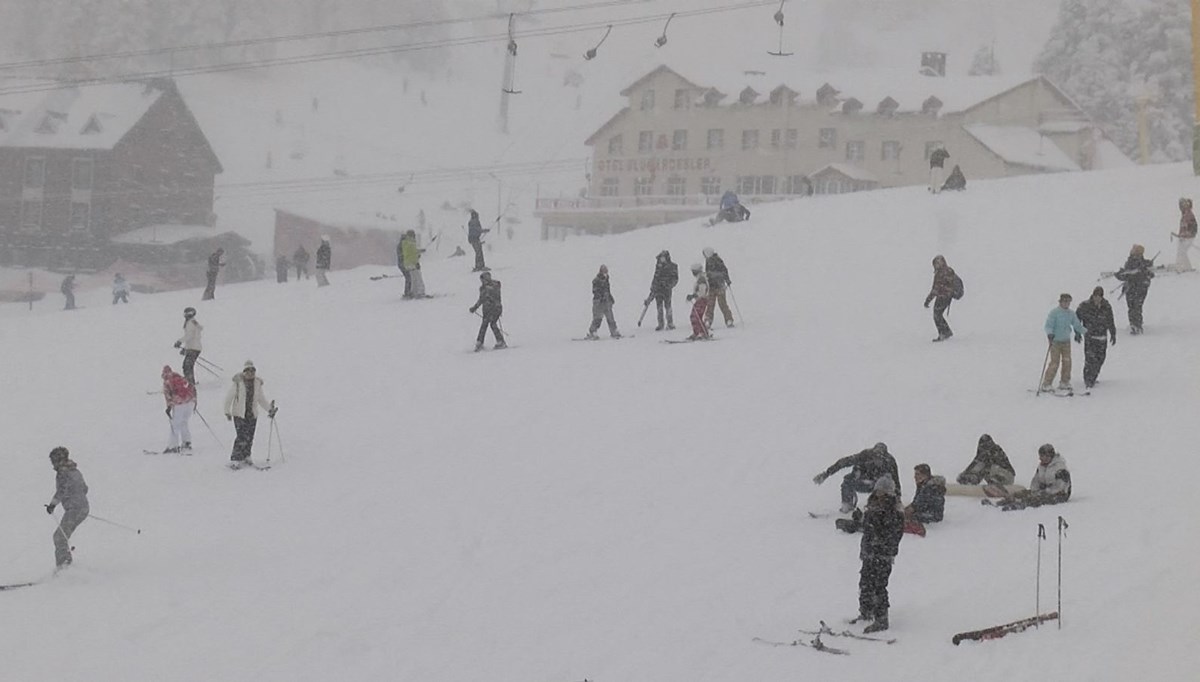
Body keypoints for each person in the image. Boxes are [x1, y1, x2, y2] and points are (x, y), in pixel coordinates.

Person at [854, 476, 904, 633]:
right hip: (869, 552)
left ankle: (881, 618)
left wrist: (881, 544)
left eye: (882, 491)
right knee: (865, 582)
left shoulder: (893, 511)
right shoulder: (872, 506)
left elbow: (894, 533)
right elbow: (868, 528)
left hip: (882, 555)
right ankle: (866, 611)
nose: (879, 494)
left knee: (879, 585)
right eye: (878, 490)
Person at [813, 442, 902, 514]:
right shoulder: (864, 455)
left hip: (877, 487)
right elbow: (844, 462)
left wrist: (898, 499)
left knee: (886, 481)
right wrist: (826, 474)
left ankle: (881, 506)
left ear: (885, 456)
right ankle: (847, 505)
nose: (877, 459)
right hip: (861, 480)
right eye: (875, 456)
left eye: (880, 457)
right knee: (848, 480)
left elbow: (896, 480)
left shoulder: (890, 461)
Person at [222, 360, 276, 469]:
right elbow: (229, 398)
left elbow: (261, 399)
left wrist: (269, 409)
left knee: (250, 436)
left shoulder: (257, 383)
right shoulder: (238, 383)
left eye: (252, 371)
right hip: (239, 414)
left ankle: (246, 455)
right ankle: (235, 459)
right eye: (248, 371)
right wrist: (227, 411)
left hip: (252, 414)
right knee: (241, 436)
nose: (250, 374)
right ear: (244, 372)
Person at [46, 447, 88, 570]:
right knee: (61, 536)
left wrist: (52, 505)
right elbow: (85, 488)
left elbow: (62, 491)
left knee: (59, 537)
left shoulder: (63, 472)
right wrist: (78, 502)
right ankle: (65, 566)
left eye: (53, 460)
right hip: (82, 508)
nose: (53, 464)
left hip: (75, 509)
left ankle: (64, 568)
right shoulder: (74, 470)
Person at [994, 444, 1071, 511]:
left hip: (1059, 495)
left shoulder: (1059, 468)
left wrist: (1045, 491)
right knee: (1025, 493)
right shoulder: (1042, 466)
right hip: (1044, 491)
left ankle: (1022, 504)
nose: (1040, 458)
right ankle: (1009, 500)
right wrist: (1034, 491)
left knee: (1038, 498)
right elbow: (1036, 481)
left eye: (1042, 456)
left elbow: (1060, 487)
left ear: (1048, 456)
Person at [1041, 293, 1087, 393]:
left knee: (1067, 362)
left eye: (1068, 302)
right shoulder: (1054, 313)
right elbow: (1048, 325)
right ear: (1061, 302)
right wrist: (1050, 334)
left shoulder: (1071, 314)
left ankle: (1064, 382)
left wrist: (1086, 332)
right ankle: (1047, 383)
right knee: (1054, 362)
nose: (1067, 304)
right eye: (1065, 301)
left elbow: (1077, 325)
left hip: (1066, 341)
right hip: (1055, 342)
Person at [1075, 286, 1117, 389]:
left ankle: (1093, 376)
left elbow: (1110, 320)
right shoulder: (1084, 306)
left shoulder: (1106, 306)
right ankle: (1088, 380)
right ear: (1093, 295)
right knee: (1090, 359)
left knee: (1100, 359)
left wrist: (1113, 333)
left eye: (1099, 296)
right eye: (1096, 296)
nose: (1097, 298)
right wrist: (1077, 333)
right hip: (1090, 337)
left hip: (1102, 337)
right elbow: (1077, 320)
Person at [1114, 244, 1155, 335]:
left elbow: (1150, 274)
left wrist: (1123, 275)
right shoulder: (1133, 262)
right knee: (1134, 307)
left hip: (1138, 288)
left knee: (1135, 307)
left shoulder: (1141, 263)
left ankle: (1136, 325)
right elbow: (1127, 275)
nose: (1131, 250)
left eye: (1133, 249)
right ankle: (1135, 324)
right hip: (1133, 288)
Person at [923, 255, 959, 341]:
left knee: (937, 315)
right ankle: (946, 332)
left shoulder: (940, 273)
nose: (936, 266)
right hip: (948, 297)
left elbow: (935, 288)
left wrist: (928, 300)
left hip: (942, 296)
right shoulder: (949, 270)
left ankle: (944, 333)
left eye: (936, 263)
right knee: (938, 314)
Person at [161, 365, 196, 454]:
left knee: (175, 425)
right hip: (190, 402)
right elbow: (192, 387)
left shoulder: (167, 381)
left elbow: (168, 395)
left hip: (179, 403)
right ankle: (187, 442)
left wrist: (169, 407)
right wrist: (194, 401)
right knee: (184, 422)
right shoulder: (180, 378)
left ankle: (173, 446)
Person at [469, 271, 505, 351]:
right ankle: (481, 342)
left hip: (494, 309)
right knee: (485, 324)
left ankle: (499, 341)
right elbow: (482, 299)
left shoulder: (493, 286)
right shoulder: (486, 287)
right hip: (488, 310)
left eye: (483, 280)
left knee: (491, 324)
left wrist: (474, 308)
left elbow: (483, 299)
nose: (482, 282)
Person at [645, 250, 678, 331]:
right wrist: (653, 288)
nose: (662, 260)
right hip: (658, 290)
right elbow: (655, 278)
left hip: (667, 290)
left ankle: (670, 323)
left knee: (668, 306)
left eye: (663, 258)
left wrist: (668, 285)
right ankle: (660, 323)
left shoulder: (673, 266)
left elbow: (675, 279)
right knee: (659, 307)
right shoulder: (658, 266)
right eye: (661, 258)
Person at [585, 264, 621, 340]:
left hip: (606, 301)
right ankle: (592, 331)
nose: (605, 273)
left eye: (606, 272)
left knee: (610, 317)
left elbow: (608, 290)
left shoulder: (607, 279)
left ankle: (614, 330)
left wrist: (610, 298)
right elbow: (595, 291)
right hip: (598, 302)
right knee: (598, 318)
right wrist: (601, 297)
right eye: (604, 272)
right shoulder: (596, 280)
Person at [702, 247, 734, 328]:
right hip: (712, 286)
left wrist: (727, 280)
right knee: (710, 304)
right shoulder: (708, 261)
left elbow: (724, 271)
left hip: (719, 286)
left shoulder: (718, 260)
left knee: (722, 303)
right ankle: (708, 320)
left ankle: (728, 319)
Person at [174, 307, 203, 385]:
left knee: (187, 366)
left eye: (186, 314)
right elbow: (192, 337)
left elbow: (189, 336)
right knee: (188, 366)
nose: (185, 315)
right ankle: (190, 381)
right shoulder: (193, 322)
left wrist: (179, 341)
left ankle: (190, 383)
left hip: (193, 348)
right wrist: (186, 348)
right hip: (194, 347)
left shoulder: (190, 323)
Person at [686, 263, 711, 340]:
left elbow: (702, 291)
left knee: (695, 316)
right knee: (697, 316)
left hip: (702, 300)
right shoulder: (700, 278)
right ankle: (699, 332)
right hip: (700, 300)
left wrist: (693, 296)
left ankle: (701, 333)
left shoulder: (701, 279)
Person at [400, 229, 427, 298]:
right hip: (412, 263)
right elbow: (412, 254)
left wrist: (419, 252)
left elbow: (410, 253)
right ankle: (420, 292)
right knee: (418, 278)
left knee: (413, 279)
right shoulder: (411, 243)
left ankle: (413, 292)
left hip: (407, 263)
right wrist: (416, 262)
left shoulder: (405, 242)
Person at [1174, 197, 1196, 272]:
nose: (1180, 207)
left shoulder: (1188, 215)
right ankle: (1186, 267)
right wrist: (1180, 235)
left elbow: (1192, 228)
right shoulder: (1185, 214)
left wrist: (1185, 235)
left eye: (1181, 205)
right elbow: (1183, 227)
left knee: (1181, 252)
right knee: (1182, 252)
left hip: (1188, 238)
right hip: (1185, 237)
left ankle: (1181, 268)